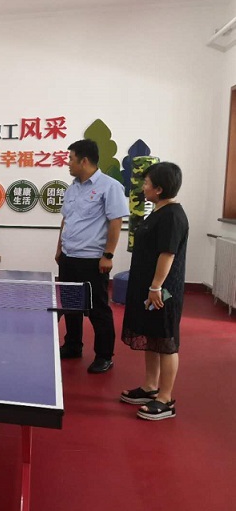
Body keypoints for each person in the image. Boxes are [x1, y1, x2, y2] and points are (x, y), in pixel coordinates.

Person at [119, 162, 188, 420]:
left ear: (159, 189)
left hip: (163, 291)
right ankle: (150, 387)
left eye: (146, 183)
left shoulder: (172, 216)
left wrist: (156, 286)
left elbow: (167, 254)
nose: (143, 187)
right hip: (150, 289)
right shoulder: (158, 211)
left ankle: (165, 399)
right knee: (152, 335)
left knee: (166, 339)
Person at [55, 139, 129, 373]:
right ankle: (73, 345)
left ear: (84, 160)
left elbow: (116, 222)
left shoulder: (110, 186)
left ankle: (104, 356)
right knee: (71, 306)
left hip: (92, 259)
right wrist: (59, 248)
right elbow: (66, 219)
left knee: (98, 309)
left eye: (71, 159)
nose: (68, 163)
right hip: (69, 257)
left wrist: (108, 255)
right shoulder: (72, 188)